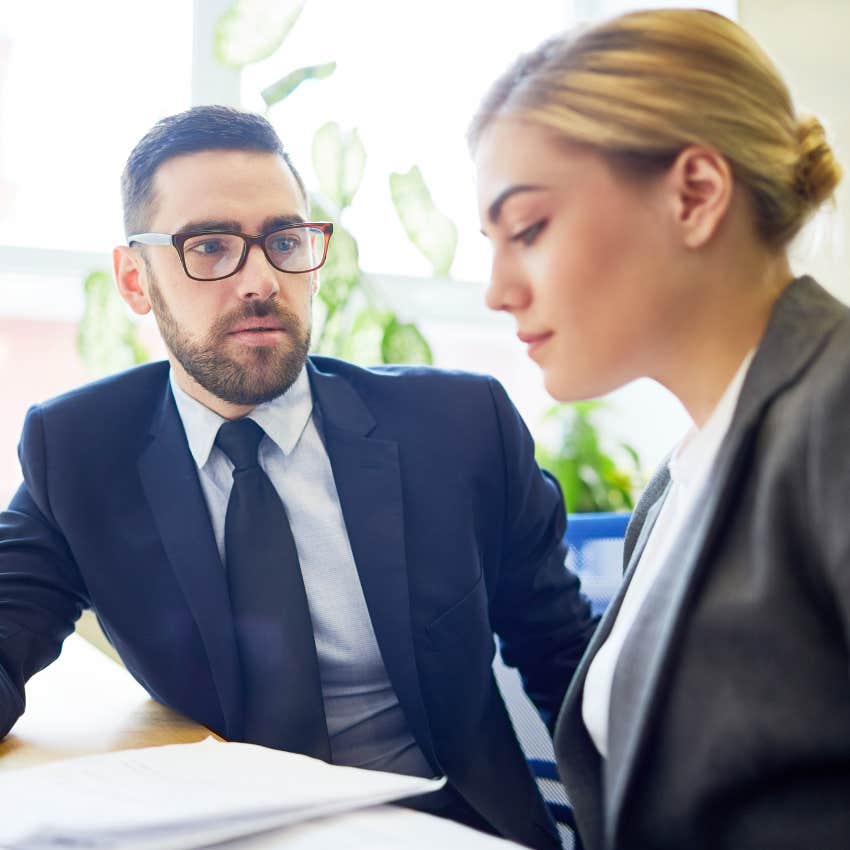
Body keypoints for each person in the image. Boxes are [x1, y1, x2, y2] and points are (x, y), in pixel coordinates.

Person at [0, 105, 597, 850]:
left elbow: (570, 663)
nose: (260, 281)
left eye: (285, 241)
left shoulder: (459, 427)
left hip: (455, 828)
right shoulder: (82, 452)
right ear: (135, 279)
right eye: (210, 247)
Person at [469, 8, 848, 850]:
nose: (497, 289)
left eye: (527, 229)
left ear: (695, 194)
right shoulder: (680, 482)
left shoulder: (836, 416)